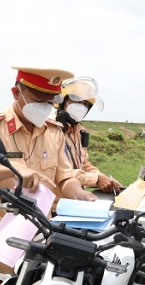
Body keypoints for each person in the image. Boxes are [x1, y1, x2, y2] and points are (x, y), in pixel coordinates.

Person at [0, 66, 98, 274]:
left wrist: (77, 193)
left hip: (44, 235)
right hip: (2, 238)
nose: (45, 107)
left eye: (50, 102)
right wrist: (11, 171)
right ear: (16, 93)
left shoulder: (54, 131)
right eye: (38, 100)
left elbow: (64, 177)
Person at [53, 76, 122, 212]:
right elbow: (57, 170)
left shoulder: (79, 131)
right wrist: (96, 179)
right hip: (55, 206)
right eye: (77, 101)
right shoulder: (50, 129)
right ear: (62, 100)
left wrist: (103, 177)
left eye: (86, 104)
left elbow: (84, 164)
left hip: (76, 202)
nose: (81, 107)